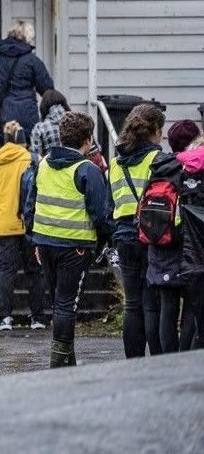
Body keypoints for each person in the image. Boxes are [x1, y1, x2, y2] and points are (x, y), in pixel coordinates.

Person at [25, 112, 115, 367]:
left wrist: (33, 238)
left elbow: (30, 205)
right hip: (74, 246)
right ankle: (61, 361)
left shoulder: (42, 164)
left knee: (58, 301)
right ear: (87, 140)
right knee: (66, 303)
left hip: (45, 243)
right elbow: (100, 213)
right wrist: (107, 239)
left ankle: (66, 358)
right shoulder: (88, 170)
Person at [0, 121, 46, 331]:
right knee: (35, 271)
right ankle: (38, 317)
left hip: (3, 226)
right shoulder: (34, 161)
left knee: (6, 272)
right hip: (30, 224)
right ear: (23, 140)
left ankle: (4, 317)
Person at [109, 105, 166, 357]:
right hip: (152, 235)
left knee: (132, 304)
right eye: (161, 130)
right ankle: (157, 360)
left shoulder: (115, 163)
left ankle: (133, 362)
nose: (162, 136)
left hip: (124, 235)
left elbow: (111, 203)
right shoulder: (158, 160)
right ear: (153, 130)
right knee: (152, 303)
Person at [148, 119, 202, 353]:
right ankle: (185, 361)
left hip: (161, 243)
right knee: (193, 307)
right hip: (191, 246)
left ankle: (164, 363)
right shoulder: (197, 168)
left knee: (166, 309)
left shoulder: (161, 167)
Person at [0, 20, 53, 143]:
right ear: (27, 37)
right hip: (28, 114)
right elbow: (48, 90)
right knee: (27, 151)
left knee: (5, 153)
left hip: (2, 113)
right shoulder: (32, 61)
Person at [31, 90, 71, 157]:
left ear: (44, 106)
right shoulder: (76, 121)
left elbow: (36, 157)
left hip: (49, 166)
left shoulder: (39, 127)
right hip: (75, 166)